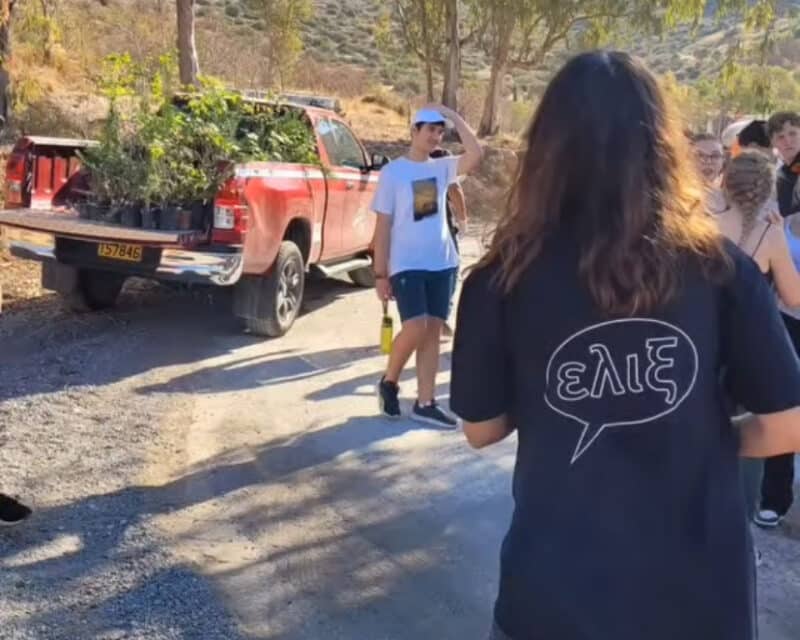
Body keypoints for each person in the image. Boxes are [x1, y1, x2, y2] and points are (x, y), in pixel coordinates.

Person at [451, 51, 800, 640]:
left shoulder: (500, 278)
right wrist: (707, 434)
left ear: (545, 151)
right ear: (662, 148)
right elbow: (789, 425)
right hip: (699, 602)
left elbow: (481, 429)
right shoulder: (721, 269)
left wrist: (557, 403)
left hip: (552, 598)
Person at [372, 104, 481, 427]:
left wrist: (453, 116)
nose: (435, 136)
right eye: (430, 129)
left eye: (439, 131)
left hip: (442, 263)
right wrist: (380, 273)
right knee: (416, 326)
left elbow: (476, 153)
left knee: (433, 331)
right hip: (407, 264)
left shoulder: (442, 168)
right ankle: (389, 382)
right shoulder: (393, 173)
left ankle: (426, 402)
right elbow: (382, 226)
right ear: (414, 131)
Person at [753, 111, 800, 528]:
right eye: (780, 135)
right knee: (785, 398)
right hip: (787, 310)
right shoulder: (778, 182)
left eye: (793, 132)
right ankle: (775, 498)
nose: (788, 140)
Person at [429, 147, 468, 339]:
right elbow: (455, 190)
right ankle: (439, 318)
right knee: (451, 270)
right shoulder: (444, 170)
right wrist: (463, 221)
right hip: (442, 232)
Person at [691, 132, 726, 213]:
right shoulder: (673, 199)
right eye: (699, 155)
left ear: (723, 161)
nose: (708, 161)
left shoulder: (732, 202)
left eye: (715, 156)